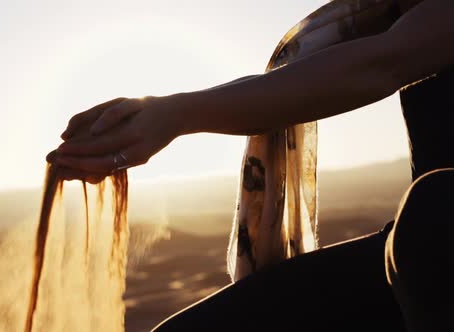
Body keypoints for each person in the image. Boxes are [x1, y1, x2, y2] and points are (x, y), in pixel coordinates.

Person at [53, 0, 454, 330]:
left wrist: (173, 116)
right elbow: (307, 75)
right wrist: (161, 112)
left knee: (431, 209)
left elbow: (381, 64)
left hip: (430, 243)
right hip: (416, 258)